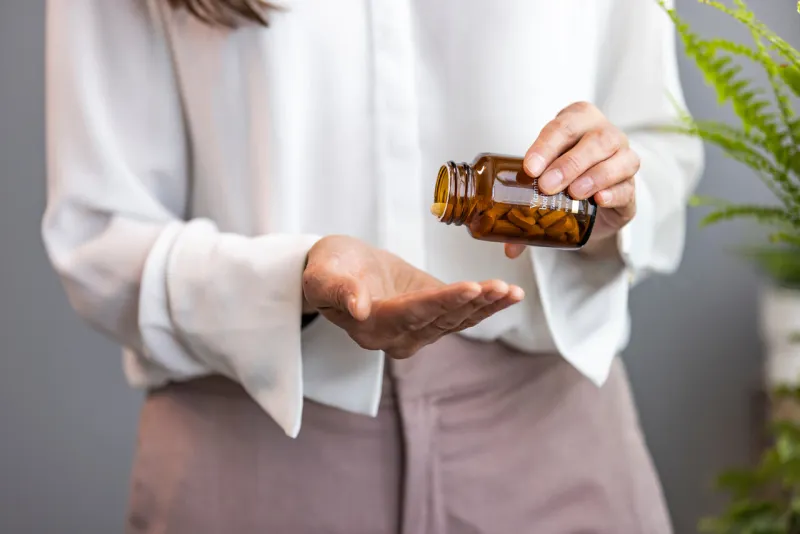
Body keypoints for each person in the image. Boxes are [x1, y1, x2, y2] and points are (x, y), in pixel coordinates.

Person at [42, 0, 704, 532]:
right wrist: (290, 277)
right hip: (257, 452)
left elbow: (661, 147)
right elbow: (99, 233)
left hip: (549, 448)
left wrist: (610, 199)